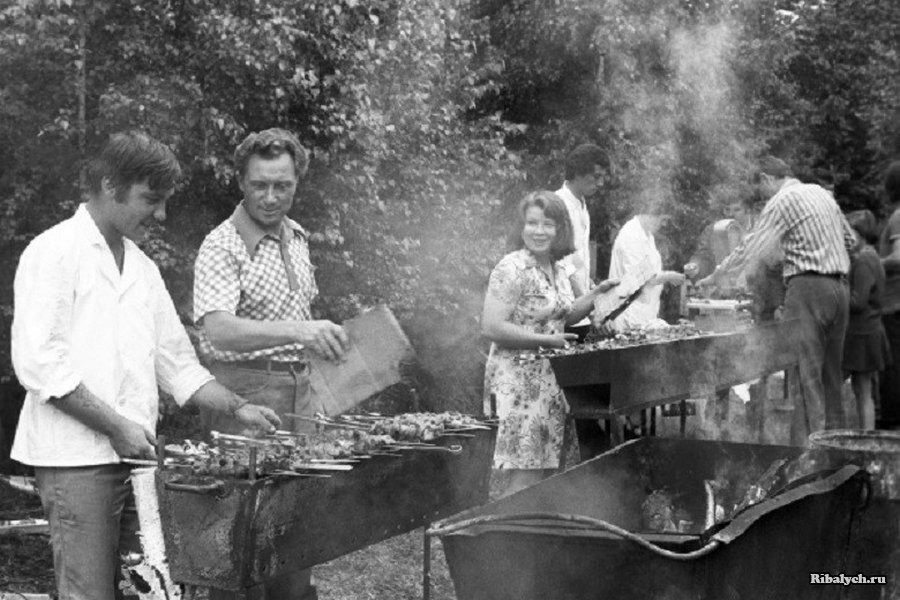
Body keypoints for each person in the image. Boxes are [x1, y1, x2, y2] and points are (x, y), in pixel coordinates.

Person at [10, 131, 281, 600]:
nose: (160, 215)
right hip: (76, 462)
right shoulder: (53, 252)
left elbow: (178, 364)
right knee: (90, 593)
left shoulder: (143, 269)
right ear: (110, 186)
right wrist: (117, 427)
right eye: (150, 200)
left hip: (137, 462)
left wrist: (238, 407)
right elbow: (40, 364)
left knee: (155, 590)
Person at [193, 127, 349, 600]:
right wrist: (300, 331)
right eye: (260, 184)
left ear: (297, 181)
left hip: (298, 393)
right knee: (240, 537)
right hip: (243, 397)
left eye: (282, 185)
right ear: (241, 181)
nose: (270, 196)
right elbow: (218, 329)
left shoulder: (297, 237)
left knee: (295, 530)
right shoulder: (222, 245)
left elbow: (297, 324)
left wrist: (322, 346)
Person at [699, 156, 856, 442]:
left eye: (762, 187)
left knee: (807, 378)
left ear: (767, 178)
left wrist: (718, 274)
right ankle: (838, 451)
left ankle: (810, 454)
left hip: (808, 289)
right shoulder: (821, 194)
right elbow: (850, 241)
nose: (763, 195)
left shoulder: (782, 200)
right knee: (832, 377)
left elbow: (752, 247)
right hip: (840, 289)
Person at [481, 191, 618, 495]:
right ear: (521, 227)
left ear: (561, 229)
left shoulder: (557, 268)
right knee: (524, 475)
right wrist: (546, 340)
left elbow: (564, 316)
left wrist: (597, 294)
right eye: (532, 223)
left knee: (546, 472)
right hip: (517, 384)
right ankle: (510, 526)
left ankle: (534, 526)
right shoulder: (512, 268)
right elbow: (491, 326)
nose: (539, 231)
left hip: (550, 381)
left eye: (548, 224)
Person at [843, 210, 888, 430]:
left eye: (849, 232)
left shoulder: (863, 260)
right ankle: (865, 437)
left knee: (862, 390)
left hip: (862, 333)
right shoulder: (871, 256)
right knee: (863, 390)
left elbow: (858, 301)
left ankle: (864, 436)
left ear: (860, 234)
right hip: (869, 330)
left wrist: (837, 294)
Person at [608, 206, 686, 331]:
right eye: (662, 220)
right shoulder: (631, 236)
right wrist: (668, 276)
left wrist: (668, 276)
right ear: (649, 215)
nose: (664, 224)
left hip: (644, 314)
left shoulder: (647, 234)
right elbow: (641, 279)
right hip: (629, 315)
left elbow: (651, 271)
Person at [556, 144, 609, 300]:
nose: (600, 183)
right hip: (562, 301)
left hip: (578, 301)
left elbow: (577, 259)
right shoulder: (557, 205)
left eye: (603, 177)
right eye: (596, 176)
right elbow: (561, 263)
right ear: (578, 173)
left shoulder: (582, 207)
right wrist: (585, 298)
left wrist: (589, 284)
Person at [878, 161, 900, 429]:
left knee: (893, 363)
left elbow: (899, 257)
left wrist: (874, 261)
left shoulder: (898, 217)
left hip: (894, 303)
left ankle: (892, 421)